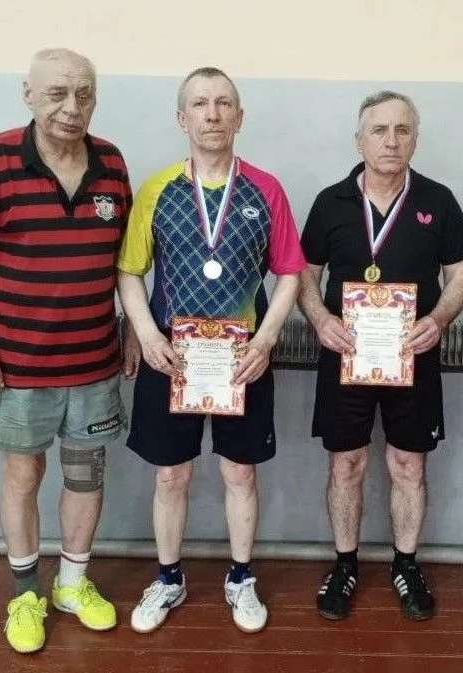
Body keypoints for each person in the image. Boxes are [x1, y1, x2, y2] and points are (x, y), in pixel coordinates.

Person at [0, 48, 139, 653]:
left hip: (93, 363)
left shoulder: (112, 162)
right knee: (23, 475)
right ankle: (26, 593)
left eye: (84, 93)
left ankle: (72, 585)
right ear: (28, 93)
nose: (71, 106)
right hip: (18, 364)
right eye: (57, 92)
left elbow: (126, 261)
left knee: (85, 474)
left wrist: (134, 330)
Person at [116, 67, 306, 634]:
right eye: (200, 103)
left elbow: (290, 273)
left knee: (240, 475)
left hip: (243, 360)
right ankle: (168, 578)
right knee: (170, 477)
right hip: (170, 357)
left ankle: (241, 578)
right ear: (183, 118)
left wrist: (266, 340)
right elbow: (129, 271)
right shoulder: (157, 189)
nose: (213, 113)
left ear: (240, 117)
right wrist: (148, 334)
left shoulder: (266, 189)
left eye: (224, 103)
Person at [299, 91, 463, 621]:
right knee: (346, 463)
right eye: (379, 130)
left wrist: (439, 321)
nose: (391, 141)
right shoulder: (330, 202)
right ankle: (344, 564)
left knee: (408, 463)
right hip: (345, 355)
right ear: (359, 140)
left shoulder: (439, 200)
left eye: (402, 130)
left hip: (414, 355)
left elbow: (460, 275)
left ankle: (406, 563)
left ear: (416, 139)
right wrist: (321, 320)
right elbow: (305, 277)